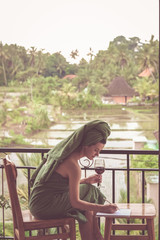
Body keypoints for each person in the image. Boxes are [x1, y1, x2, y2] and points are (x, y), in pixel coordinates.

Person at [29, 120, 118, 240]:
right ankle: (96, 236)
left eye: (99, 151)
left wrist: (84, 180)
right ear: (86, 144)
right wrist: (104, 208)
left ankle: (96, 236)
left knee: (86, 197)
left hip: (38, 202)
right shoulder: (73, 166)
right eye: (96, 150)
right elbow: (75, 202)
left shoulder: (64, 155)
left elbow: (55, 185)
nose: (97, 154)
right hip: (44, 206)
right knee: (89, 192)